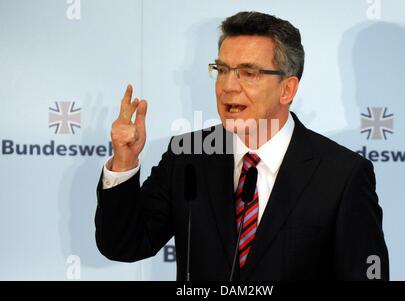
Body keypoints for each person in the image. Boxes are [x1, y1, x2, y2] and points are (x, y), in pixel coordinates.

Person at [95, 11, 389, 280]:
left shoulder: (341, 175)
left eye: (249, 73)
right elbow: (124, 244)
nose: (228, 87)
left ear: (287, 89)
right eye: (222, 70)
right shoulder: (188, 156)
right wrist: (124, 162)